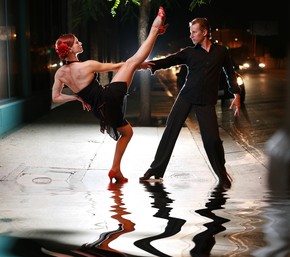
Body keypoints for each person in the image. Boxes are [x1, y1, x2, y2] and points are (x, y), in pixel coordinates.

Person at [52, 7, 168, 183]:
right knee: (131, 61)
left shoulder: (60, 73)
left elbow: (56, 97)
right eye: (77, 42)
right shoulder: (87, 65)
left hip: (101, 110)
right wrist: (138, 65)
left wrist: (76, 97)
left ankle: (115, 169)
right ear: (69, 49)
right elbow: (118, 66)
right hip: (108, 97)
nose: (80, 43)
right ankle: (154, 30)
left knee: (127, 132)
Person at [139, 17, 241, 188]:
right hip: (186, 97)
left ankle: (221, 173)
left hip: (207, 101)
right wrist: (149, 65)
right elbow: (170, 60)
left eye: (194, 32)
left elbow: (230, 74)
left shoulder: (221, 52)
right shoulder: (189, 52)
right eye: (190, 32)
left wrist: (236, 94)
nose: (191, 35)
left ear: (205, 32)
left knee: (212, 140)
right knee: (170, 131)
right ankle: (155, 170)